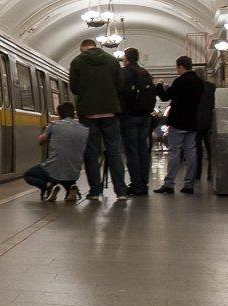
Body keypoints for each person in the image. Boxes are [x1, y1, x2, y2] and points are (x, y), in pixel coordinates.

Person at [68, 39, 130, 201]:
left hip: (88, 113)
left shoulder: (77, 61)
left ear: (82, 49)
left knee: (91, 153)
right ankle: (121, 191)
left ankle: (95, 191)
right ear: (97, 46)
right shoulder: (112, 61)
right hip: (110, 113)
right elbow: (120, 85)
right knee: (114, 151)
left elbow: (74, 87)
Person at [153, 56, 205, 194]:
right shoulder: (199, 82)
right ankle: (189, 185)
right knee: (191, 153)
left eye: (177, 67)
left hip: (178, 122)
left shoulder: (180, 81)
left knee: (174, 152)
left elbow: (165, 97)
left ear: (181, 66)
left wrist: (159, 85)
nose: (177, 70)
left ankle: (169, 184)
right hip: (192, 122)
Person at [22, 102, 89, 202]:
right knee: (65, 174)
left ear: (59, 114)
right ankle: (71, 188)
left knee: (28, 175)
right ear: (73, 114)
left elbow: (41, 141)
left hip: (54, 169)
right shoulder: (84, 129)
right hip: (75, 171)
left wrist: (45, 135)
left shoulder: (53, 125)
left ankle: (48, 186)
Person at [118, 47, 157, 196]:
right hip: (145, 116)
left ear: (126, 58)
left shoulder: (124, 73)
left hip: (129, 116)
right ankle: (144, 184)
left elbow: (120, 92)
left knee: (132, 151)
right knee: (143, 151)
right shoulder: (145, 73)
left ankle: (136, 185)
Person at [195, 71, 216, 181]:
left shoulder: (193, 88)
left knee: (197, 150)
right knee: (210, 149)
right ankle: (210, 174)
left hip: (196, 122)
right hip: (209, 121)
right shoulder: (211, 87)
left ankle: (197, 174)